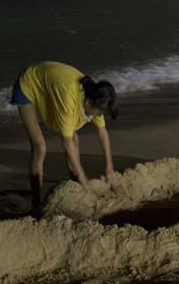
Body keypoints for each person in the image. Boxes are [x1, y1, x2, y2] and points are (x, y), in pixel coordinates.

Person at [10, 61, 119, 217]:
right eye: (99, 113)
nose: (99, 116)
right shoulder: (70, 98)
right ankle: (36, 206)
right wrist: (84, 179)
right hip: (28, 85)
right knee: (40, 147)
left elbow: (102, 132)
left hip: (48, 85)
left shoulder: (96, 96)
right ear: (88, 102)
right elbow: (65, 142)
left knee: (74, 138)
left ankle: (74, 186)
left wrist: (109, 168)